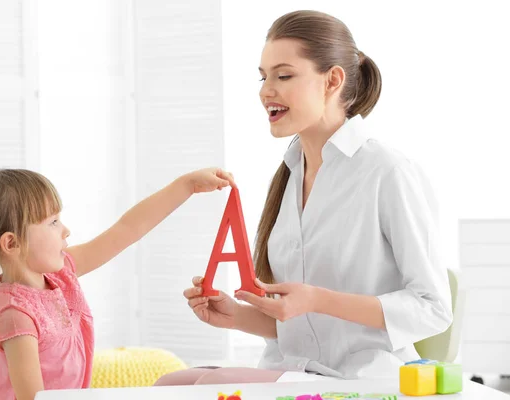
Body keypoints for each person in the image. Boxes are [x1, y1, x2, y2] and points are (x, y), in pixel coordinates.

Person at [155, 9, 452, 385]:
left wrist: (317, 299)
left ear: (332, 81)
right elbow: (301, 326)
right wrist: (234, 315)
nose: (266, 90)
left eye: (284, 75)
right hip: (297, 371)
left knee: (203, 386)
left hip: (362, 378)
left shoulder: (386, 171)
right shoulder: (290, 175)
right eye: (263, 77)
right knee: (169, 384)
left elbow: (433, 309)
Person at [0, 167, 235, 400]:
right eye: (52, 222)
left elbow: (127, 229)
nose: (66, 230)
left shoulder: (60, 274)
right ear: (12, 242)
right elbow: (34, 399)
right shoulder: (16, 316)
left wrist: (185, 185)